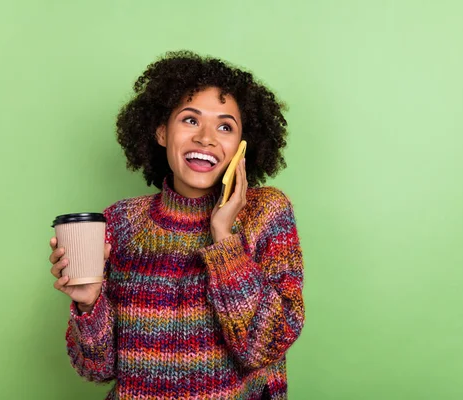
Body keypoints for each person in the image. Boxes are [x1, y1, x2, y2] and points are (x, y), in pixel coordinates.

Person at [48, 50, 305, 400]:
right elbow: (97, 369)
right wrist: (89, 304)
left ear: (242, 148)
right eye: (190, 120)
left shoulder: (266, 214)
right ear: (161, 132)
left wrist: (223, 239)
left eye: (225, 126)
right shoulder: (119, 224)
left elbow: (266, 346)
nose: (206, 138)